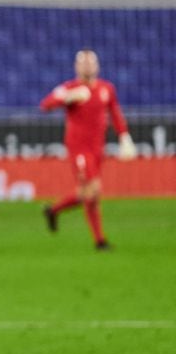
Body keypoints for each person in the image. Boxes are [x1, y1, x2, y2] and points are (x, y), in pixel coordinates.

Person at [40, 48, 136, 251]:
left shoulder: (106, 89)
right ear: (76, 66)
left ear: (97, 65)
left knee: (91, 195)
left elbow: (115, 113)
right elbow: (46, 104)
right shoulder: (70, 87)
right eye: (83, 63)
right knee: (92, 191)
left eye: (91, 62)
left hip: (97, 149)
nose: (87, 66)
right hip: (78, 149)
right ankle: (98, 240)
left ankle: (56, 212)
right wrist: (68, 97)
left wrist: (124, 136)